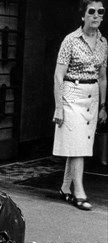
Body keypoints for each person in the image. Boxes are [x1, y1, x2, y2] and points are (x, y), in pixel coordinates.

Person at [53, 0, 108, 210]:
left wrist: (103, 105)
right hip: (71, 95)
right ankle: (79, 192)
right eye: (91, 11)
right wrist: (58, 107)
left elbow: (103, 76)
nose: (96, 15)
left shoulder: (103, 42)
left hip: (92, 97)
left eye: (100, 12)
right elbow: (58, 76)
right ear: (83, 16)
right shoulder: (70, 41)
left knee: (80, 145)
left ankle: (65, 188)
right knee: (78, 145)